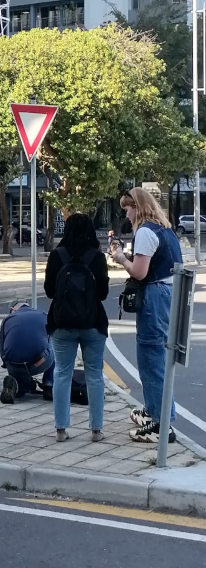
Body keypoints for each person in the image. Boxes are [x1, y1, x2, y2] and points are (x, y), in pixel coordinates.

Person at [111, 188, 182, 443]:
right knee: (157, 357)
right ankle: (154, 410)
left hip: (154, 295)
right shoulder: (164, 229)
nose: (126, 215)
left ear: (137, 208)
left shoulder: (144, 232)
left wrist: (120, 258)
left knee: (151, 359)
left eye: (127, 209)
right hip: (168, 295)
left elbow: (140, 273)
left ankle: (162, 424)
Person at [44, 213, 109, 443]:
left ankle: (61, 429)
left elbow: (50, 292)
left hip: (61, 324)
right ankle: (96, 430)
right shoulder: (97, 257)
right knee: (94, 375)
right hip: (92, 324)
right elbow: (102, 294)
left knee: (62, 373)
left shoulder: (57, 255)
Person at [0, 299, 54, 404]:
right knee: (53, 343)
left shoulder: (7, 319)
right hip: (39, 363)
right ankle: (49, 385)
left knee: (22, 383)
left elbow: (2, 346)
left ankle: (18, 386)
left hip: (13, 365)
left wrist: (7, 365)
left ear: (12, 309)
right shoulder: (43, 315)